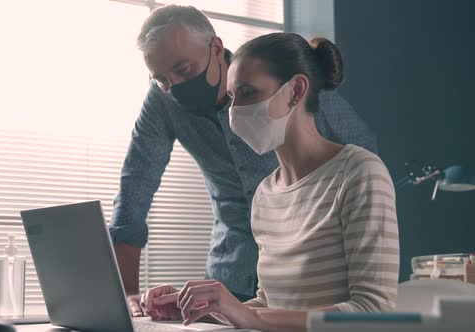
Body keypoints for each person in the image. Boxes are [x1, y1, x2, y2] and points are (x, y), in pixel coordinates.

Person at [108, 5, 379, 316]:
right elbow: (135, 187)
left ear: (216, 49)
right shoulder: (162, 100)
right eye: (161, 78)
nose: (174, 88)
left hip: (306, 274)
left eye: (183, 70)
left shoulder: (281, 76)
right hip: (229, 273)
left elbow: (361, 159)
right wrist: (128, 298)